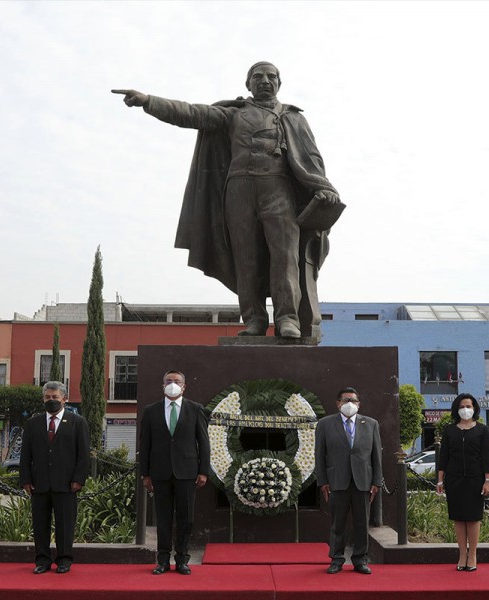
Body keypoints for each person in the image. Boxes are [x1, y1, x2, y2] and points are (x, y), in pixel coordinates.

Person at [113, 61, 343, 340]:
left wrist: (325, 186)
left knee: (285, 257)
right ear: (248, 84)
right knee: (246, 260)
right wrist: (149, 101)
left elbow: (311, 158)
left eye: (271, 76)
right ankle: (255, 320)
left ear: (279, 83)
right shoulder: (233, 115)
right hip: (239, 190)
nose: (265, 81)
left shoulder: (294, 118)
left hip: (278, 190)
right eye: (257, 76)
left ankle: (287, 319)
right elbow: (191, 113)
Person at [139, 370, 210, 575]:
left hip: (187, 473)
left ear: (184, 386)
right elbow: (145, 444)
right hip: (159, 473)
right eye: (168, 381)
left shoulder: (195, 409)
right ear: (162, 385)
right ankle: (162, 560)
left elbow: (203, 443)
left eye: (176, 381)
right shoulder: (151, 410)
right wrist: (145, 473)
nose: (172, 384)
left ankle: (182, 559)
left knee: (185, 518)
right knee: (162, 519)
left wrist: (203, 471)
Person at [19, 381, 90, 574]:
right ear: (43, 399)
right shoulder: (33, 423)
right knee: (40, 524)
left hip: (67, 484)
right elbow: (25, 454)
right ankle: (42, 560)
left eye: (55, 397)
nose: (51, 401)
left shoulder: (78, 422)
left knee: (65, 524)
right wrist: (25, 479)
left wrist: (79, 479)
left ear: (64, 399)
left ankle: (64, 560)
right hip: (39, 483)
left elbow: (83, 454)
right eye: (48, 397)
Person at [315, 387, 382, 574]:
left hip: (363, 481)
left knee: (362, 522)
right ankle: (336, 559)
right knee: (338, 523)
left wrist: (376, 481)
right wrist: (323, 481)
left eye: (354, 400)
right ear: (338, 403)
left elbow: (376, 455)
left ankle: (360, 560)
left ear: (359, 404)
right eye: (346, 400)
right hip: (337, 480)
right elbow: (319, 455)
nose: (350, 404)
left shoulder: (371, 424)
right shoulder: (325, 424)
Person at [436, 393, 489, 572]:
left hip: (476, 480)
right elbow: (443, 456)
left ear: (474, 408)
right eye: (462, 406)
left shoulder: (482, 430)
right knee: (458, 518)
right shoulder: (449, 430)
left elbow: (486, 458)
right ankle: (462, 554)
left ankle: (473, 554)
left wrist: (487, 481)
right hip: (454, 480)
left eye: (469, 406)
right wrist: (440, 480)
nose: (465, 410)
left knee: (474, 518)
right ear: (456, 409)